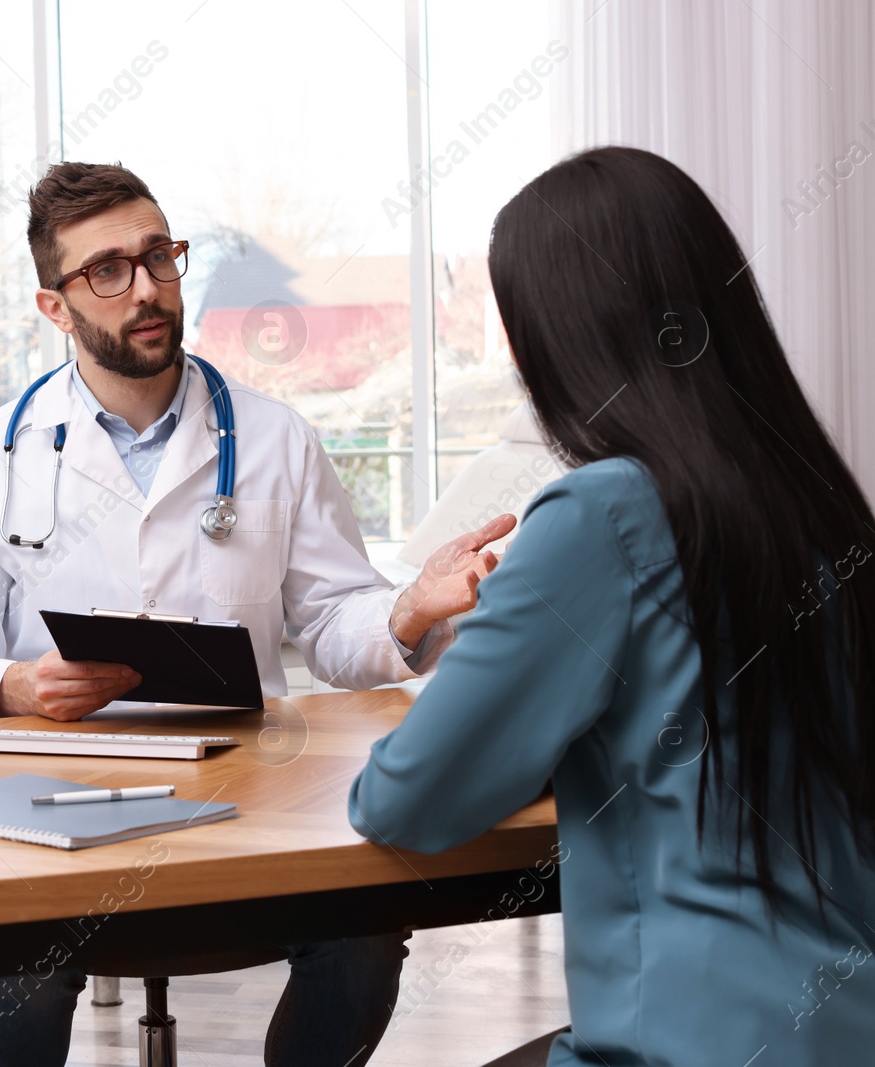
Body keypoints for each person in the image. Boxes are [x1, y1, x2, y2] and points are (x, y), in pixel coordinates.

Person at [0, 162, 513, 1066]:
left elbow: (335, 621)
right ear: (53, 306)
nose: (145, 288)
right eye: (107, 270)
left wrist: (408, 610)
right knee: (10, 962)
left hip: (248, 794)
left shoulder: (273, 438)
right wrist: (13, 683)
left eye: (159, 257)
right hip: (57, 802)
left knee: (364, 935)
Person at [349, 145, 875, 1066]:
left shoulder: (601, 512)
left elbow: (407, 799)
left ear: (563, 338)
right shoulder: (822, 496)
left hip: (697, 1039)